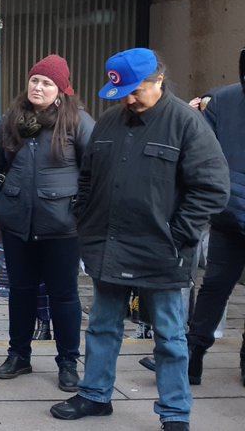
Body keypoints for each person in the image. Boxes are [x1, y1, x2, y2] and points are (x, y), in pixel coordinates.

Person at [50, 49, 229, 431]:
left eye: (136, 91)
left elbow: (213, 189)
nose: (129, 100)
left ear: (159, 80)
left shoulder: (187, 123)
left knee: (169, 336)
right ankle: (95, 395)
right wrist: (84, 216)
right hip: (108, 245)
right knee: (101, 325)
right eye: (123, 93)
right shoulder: (110, 122)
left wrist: (178, 234)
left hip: (162, 251)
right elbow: (88, 176)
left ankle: (175, 412)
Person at [0, 55, 93, 391]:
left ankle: (68, 363)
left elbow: (96, 171)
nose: (38, 87)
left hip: (62, 228)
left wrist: (79, 212)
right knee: (21, 292)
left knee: (64, 296)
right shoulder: (12, 119)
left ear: (60, 89)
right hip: (17, 224)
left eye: (46, 82)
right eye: (34, 80)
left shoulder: (78, 122)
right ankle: (19, 356)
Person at [184, 47, 245, 387]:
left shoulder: (219, 100)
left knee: (215, 287)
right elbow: (203, 154)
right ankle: (193, 354)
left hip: (227, 211)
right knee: (216, 287)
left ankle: (193, 356)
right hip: (229, 216)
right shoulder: (222, 101)